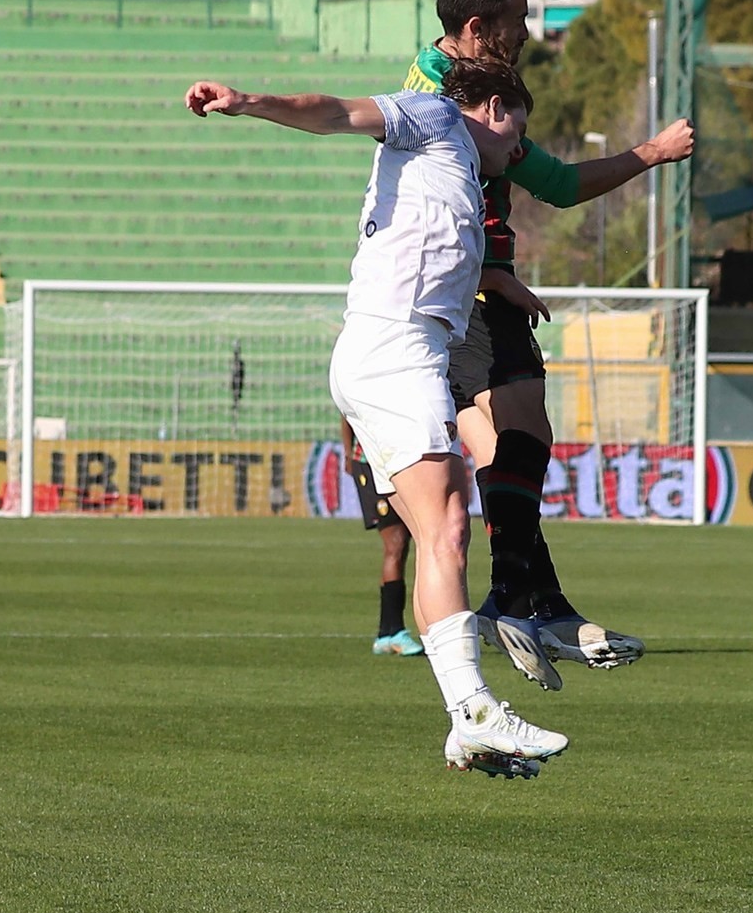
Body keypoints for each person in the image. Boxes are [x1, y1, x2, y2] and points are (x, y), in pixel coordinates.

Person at [185, 57, 562, 781]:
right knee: (448, 520)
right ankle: (475, 711)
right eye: (518, 124)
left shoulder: (456, 178)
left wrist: (498, 278)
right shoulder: (438, 117)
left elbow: (432, 245)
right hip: (394, 345)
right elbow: (332, 111)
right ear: (488, 106)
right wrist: (246, 100)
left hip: (397, 349)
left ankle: (467, 722)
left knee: (441, 521)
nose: (520, 146)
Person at [404, 0, 696, 692]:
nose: (528, 32)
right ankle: (513, 599)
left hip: (452, 293)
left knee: (506, 451)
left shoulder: (451, 82)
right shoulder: (444, 99)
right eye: (516, 21)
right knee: (525, 427)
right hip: (461, 294)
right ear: (476, 27)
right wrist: (652, 153)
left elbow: (549, 183)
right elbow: (520, 190)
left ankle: (541, 601)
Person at [339, 415, 421, 657]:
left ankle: (387, 634)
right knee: (395, 542)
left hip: (396, 460)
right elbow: (346, 413)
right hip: (370, 463)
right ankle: (394, 631)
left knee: (402, 543)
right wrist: (348, 454)